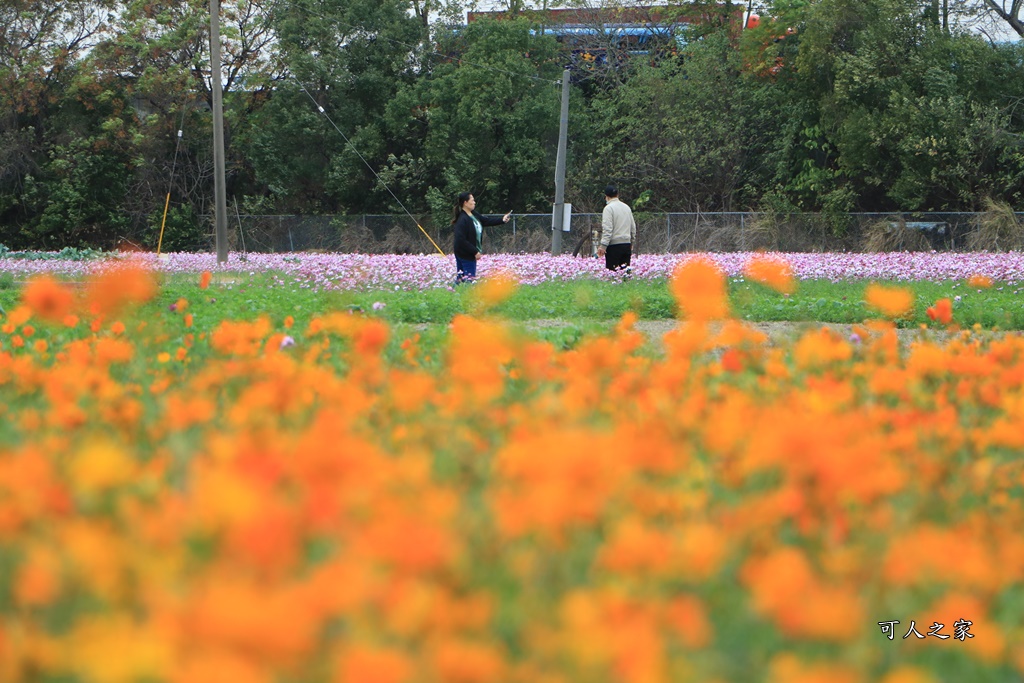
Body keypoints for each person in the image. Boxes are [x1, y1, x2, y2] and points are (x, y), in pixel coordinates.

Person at [452, 192, 510, 283]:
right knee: (468, 279)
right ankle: (465, 294)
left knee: (461, 279)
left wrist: (502, 220)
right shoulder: (462, 219)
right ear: (465, 203)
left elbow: (486, 221)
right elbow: (460, 239)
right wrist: (474, 251)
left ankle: (454, 294)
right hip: (465, 253)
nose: (474, 202)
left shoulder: (473, 214)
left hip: (467, 252)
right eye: (472, 200)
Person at [597, 184, 636, 271]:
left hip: (614, 246)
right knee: (625, 275)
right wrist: (631, 242)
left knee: (613, 274)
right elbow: (633, 227)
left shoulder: (608, 208)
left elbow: (608, 229)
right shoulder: (627, 207)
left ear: (606, 196)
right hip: (626, 245)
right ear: (617, 195)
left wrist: (603, 246)